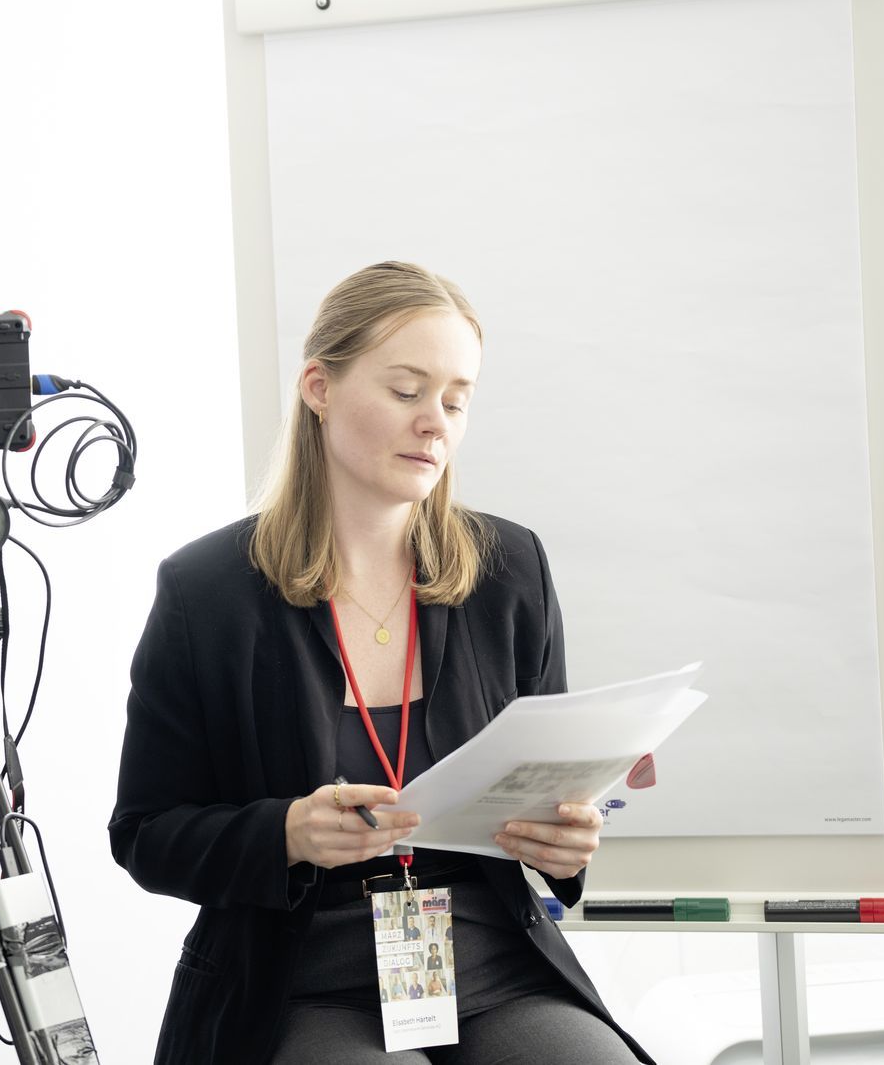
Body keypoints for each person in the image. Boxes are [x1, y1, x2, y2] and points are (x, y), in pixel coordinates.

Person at [110, 262, 650, 1064]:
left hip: (489, 959)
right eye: (406, 390)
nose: (434, 423)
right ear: (319, 388)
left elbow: (554, 791)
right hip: (300, 975)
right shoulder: (207, 591)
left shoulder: (511, 569)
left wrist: (566, 841)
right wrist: (285, 832)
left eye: (456, 401)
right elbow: (146, 832)